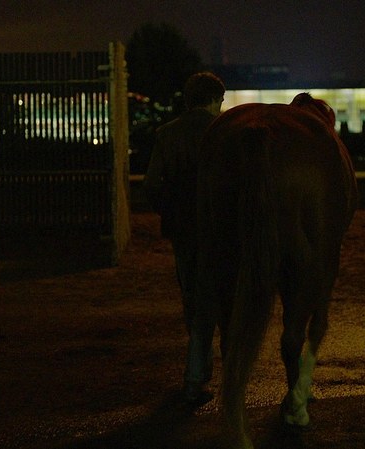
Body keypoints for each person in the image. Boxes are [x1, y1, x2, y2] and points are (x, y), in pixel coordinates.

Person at [143, 72, 225, 406]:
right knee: (220, 300)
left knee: (193, 298)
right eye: (220, 101)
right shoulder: (224, 132)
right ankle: (200, 376)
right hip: (220, 229)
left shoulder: (168, 134)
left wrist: (171, 212)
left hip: (184, 230)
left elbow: (151, 184)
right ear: (213, 100)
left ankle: (198, 373)